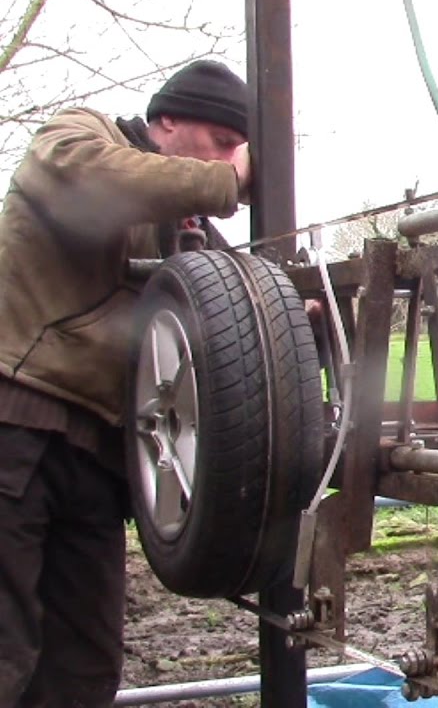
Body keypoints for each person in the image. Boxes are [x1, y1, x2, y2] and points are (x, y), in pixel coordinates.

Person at [0, 59, 253, 707]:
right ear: (167, 120)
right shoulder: (79, 138)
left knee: (83, 667)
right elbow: (88, 183)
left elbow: (231, 317)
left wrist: (288, 315)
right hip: (17, 426)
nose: (231, 162)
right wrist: (222, 180)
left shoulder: (188, 235)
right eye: (223, 143)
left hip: (99, 460)